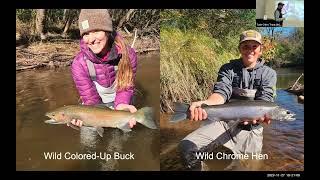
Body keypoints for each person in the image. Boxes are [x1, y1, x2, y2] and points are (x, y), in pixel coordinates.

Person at [178, 30, 277, 171]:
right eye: (245, 46)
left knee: (248, 168)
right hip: (224, 123)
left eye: (254, 46)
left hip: (251, 129)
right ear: (240, 49)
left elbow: (265, 101)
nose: (250, 50)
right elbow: (220, 93)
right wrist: (205, 104)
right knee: (187, 148)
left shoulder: (269, 73)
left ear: (260, 50)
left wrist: (261, 117)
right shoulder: (228, 69)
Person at [70, 9, 137, 129]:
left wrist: (122, 105)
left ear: (107, 31)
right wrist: (86, 120)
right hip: (94, 105)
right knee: (88, 138)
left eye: (96, 31)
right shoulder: (79, 64)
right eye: (86, 34)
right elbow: (90, 99)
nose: (90, 39)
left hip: (122, 100)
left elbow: (126, 87)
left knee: (123, 136)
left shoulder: (128, 54)